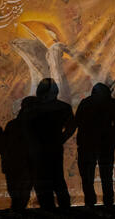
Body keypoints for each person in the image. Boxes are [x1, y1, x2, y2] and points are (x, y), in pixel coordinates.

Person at [27, 78, 75, 209]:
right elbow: (71, 127)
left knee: (44, 180)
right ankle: (63, 208)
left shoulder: (33, 108)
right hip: (51, 148)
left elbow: (24, 127)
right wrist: (61, 139)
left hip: (39, 149)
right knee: (56, 179)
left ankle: (50, 208)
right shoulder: (63, 107)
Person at [76, 83, 115, 207]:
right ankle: (107, 202)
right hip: (102, 146)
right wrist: (112, 143)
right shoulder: (114, 104)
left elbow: (77, 122)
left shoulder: (86, 103)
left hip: (89, 145)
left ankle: (91, 202)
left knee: (89, 177)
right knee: (105, 176)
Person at [2, 96, 37, 210]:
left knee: (19, 189)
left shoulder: (13, 124)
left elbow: (5, 146)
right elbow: (5, 145)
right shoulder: (14, 125)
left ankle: (18, 208)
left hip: (22, 161)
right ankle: (18, 208)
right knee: (20, 189)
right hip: (19, 161)